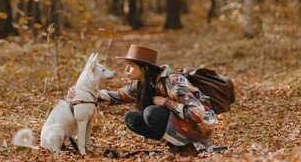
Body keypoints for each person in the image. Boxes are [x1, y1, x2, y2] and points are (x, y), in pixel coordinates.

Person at [68, 44, 215, 156]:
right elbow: (118, 96)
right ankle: (176, 145)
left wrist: (166, 102)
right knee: (131, 118)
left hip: (201, 126)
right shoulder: (145, 83)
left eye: (131, 66)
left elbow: (198, 113)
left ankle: (187, 148)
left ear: (144, 68)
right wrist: (83, 92)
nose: (126, 70)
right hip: (184, 123)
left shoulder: (172, 82)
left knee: (151, 113)